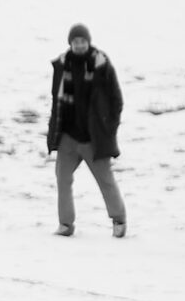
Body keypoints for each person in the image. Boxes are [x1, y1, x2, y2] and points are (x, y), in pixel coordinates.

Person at [45, 22, 127, 238]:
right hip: (68, 136)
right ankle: (65, 224)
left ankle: (118, 219)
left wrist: (108, 127)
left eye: (82, 41)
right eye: (75, 42)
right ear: (70, 43)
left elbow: (116, 100)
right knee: (62, 179)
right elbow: (57, 101)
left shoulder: (101, 65)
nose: (79, 45)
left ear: (88, 42)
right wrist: (54, 130)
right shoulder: (63, 66)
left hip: (92, 137)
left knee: (105, 179)